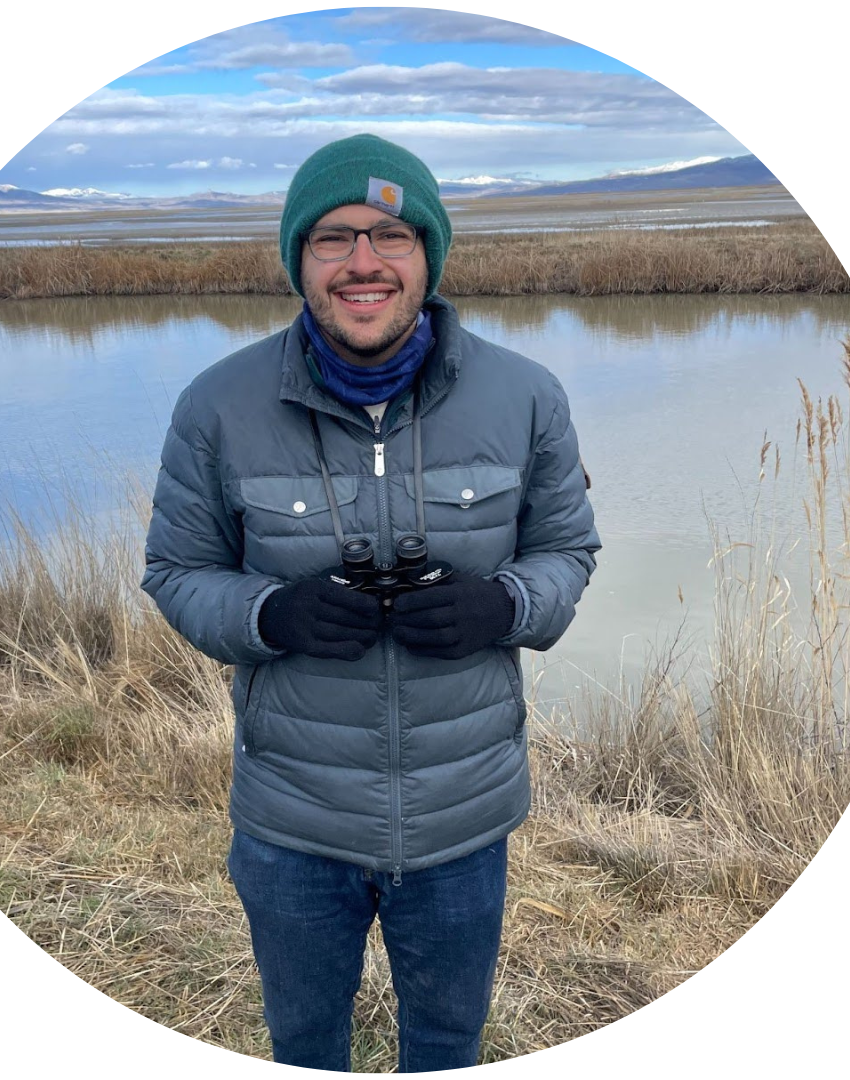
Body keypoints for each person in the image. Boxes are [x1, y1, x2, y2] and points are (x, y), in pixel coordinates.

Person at [142, 133, 600, 1072]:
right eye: (332, 238)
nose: (363, 263)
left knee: (449, 1043)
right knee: (304, 1043)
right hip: (292, 821)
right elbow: (178, 572)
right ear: (298, 260)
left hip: (463, 818)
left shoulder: (527, 397)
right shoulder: (217, 406)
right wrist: (269, 616)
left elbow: (568, 551)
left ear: (428, 255)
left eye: (391, 236)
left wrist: (506, 606)